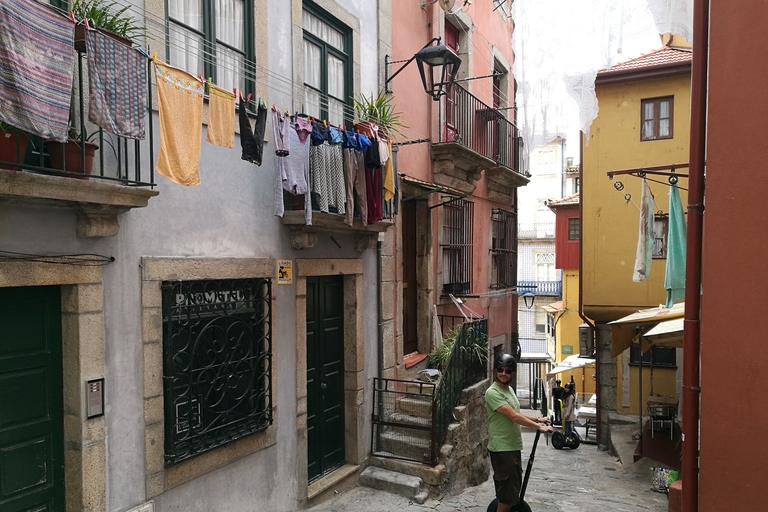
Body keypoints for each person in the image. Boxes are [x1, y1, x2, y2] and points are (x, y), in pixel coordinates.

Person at [485, 354, 553, 512]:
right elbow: (514, 417)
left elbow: (517, 412)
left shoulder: (508, 390)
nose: (503, 373)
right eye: (500, 370)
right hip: (501, 448)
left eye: (507, 371)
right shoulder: (492, 392)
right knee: (507, 493)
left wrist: (538, 420)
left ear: (513, 373)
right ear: (495, 371)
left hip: (512, 446)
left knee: (513, 488)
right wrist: (538, 428)